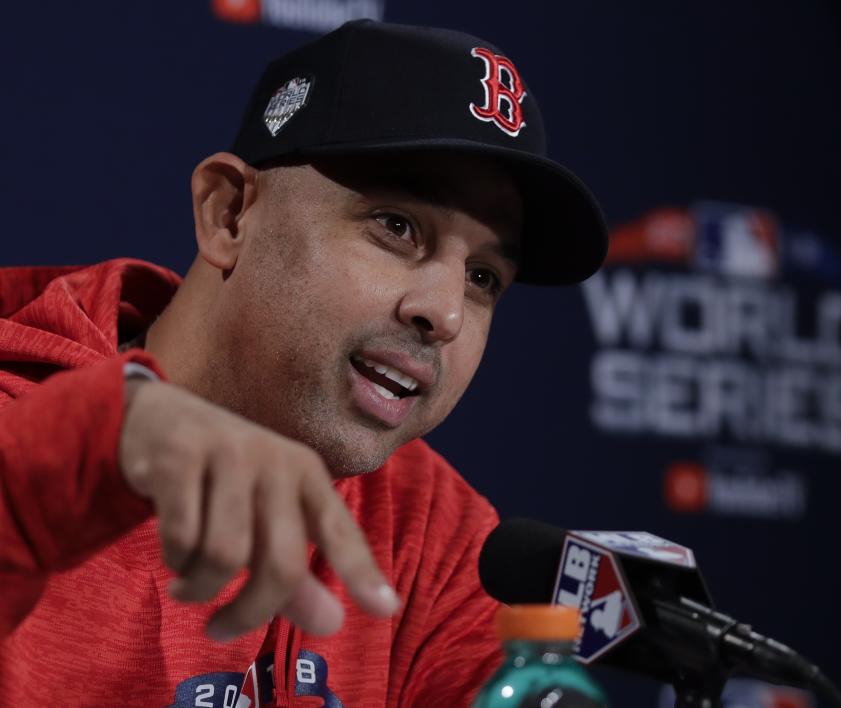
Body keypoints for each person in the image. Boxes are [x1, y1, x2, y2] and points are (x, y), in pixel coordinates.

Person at [0, 19, 606, 707]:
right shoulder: (23, 447)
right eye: (397, 225)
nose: (446, 314)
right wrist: (93, 443)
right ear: (229, 214)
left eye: (484, 277)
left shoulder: (429, 530)